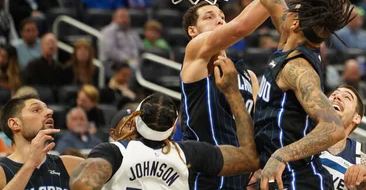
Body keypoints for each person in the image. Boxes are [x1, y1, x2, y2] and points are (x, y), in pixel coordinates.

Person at [180, 0, 337, 190]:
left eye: (222, 16)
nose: (220, 20)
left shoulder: (248, 76)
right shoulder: (195, 53)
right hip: (205, 176)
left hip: (243, 175)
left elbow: (257, 132)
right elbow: (247, 21)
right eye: (209, 17)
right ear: (192, 30)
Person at [225, 0, 353, 190]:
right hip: (282, 177)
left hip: (300, 180)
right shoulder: (293, 38)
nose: (286, 8)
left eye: (294, 10)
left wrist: (282, 154)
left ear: (295, 25)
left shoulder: (298, 69)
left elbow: (334, 128)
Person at [70, 57, 259, 190]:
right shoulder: (189, 153)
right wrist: (233, 93)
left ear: (135, 120)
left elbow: (83, 184)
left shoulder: (114, 152)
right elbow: (250, 158)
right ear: (173, 127)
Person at [0, 95, 83, 188]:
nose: (50, 111)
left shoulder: (70, 165)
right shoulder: (2, 171)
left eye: (47, 109)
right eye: (36, 110)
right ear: (14, 124)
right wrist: (31, 163)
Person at [320, 85, 366, 190]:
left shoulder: (363, 161)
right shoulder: (302, 135)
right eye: (334, 94)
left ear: (356, 118)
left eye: (347, 97)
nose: (337, 97)